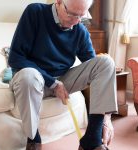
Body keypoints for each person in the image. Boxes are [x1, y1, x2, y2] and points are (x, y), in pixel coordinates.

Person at [8, 0, 118, 149]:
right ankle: (33, 139)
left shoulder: (80, 28)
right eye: (72, 14)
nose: (76, 22)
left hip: (63, 80)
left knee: (106, 62)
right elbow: (15, 57)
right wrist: (53, 83)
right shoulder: (35, 12)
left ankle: (92, 140)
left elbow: (96, 70)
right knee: (29, 76)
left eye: (81, 16)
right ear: (59, 2)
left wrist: (107, 118)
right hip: (32, 80)